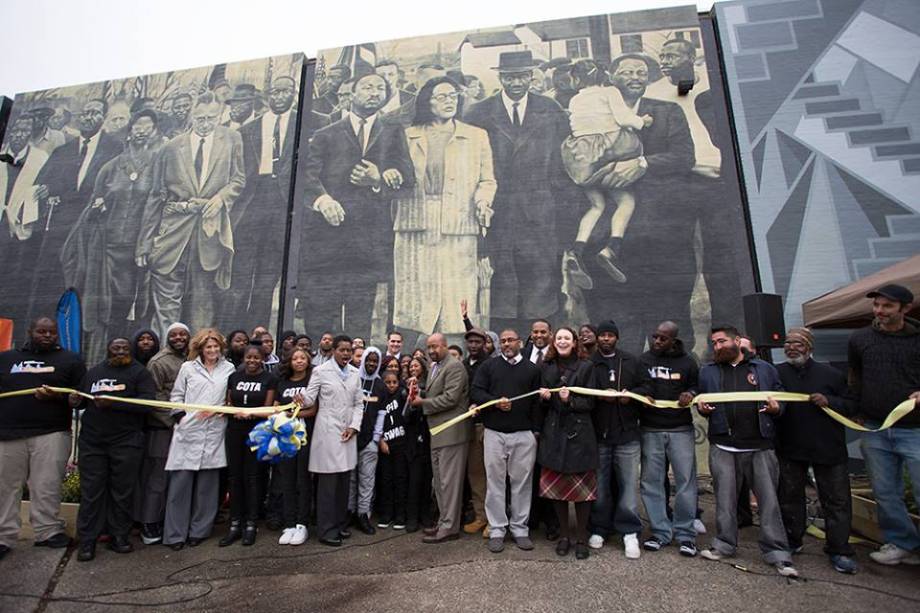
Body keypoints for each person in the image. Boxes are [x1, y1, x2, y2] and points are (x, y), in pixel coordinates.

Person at [582, 54, 695, 355]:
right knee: (618, 324)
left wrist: (642, 163)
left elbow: (685, 157)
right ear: (611, 76)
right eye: (627, 71)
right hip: (613, 238)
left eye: (641, 72)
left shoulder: (667, 111)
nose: (635, 76)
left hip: (660, 233)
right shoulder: (596, 111)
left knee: (667, 317)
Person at [298, 73, 414, 341]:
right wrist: (322, 200)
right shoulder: (326, 134)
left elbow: (409, 180)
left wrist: (378, 180)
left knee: (359, 319)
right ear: (351, 94)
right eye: (367, 86)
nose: (374, 92)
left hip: (367, 241)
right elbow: (306, 176)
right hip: (326, 239)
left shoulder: (393, 133)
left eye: (380, 88)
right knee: (320, 318)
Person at [465, 51, 573, 331]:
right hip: (497, 207)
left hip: (541, 207)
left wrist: (560, 206)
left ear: (531, 77)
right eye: (510, 76)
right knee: (502, 277)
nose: (516, 82)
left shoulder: (550, 109)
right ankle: (506, 341)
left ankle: (537, 340)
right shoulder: (478, 112)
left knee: (541, 276)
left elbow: (564, 163)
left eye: (523, 76)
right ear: (501, 77)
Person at [392, 76, 496, 339]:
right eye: (441, 96)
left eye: (453, 95)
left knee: (457, 293)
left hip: (458, 220)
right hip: (416, 219)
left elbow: (487, 180)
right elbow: (394, 173)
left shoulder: (476, 136)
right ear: (427, 101)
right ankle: (413, 353)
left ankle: (455, 347)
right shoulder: (407, 136)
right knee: (415, 290)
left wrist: (483, 202)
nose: (449, 101)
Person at [137, 92, 245, 336]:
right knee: (166, 300)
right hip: (173, 230)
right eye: (200, 118)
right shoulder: (171, 148)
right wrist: (144, 243)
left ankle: (198, 361)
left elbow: (238, 179)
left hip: (208, 230)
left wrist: (221, 199)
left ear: (219, 116)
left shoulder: (232, 140)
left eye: (211, 118)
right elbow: (156, 196)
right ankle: (165, 358)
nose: (205, 124)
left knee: (202, 300)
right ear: (191, 117)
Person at [695, 326, 799, 577]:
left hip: (759, 446)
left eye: (722, 341)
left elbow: (781, 397)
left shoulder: (764, 369)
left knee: (769, 501)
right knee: (725, 500)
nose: (717, 347)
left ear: (737, 341)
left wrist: (777, 408)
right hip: (723, 445)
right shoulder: (708, 372)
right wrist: (703, 408)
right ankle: (724, 544)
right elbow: (702, 400)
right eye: (714, 343)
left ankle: (777, 552)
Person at [0, 317, 87, 559]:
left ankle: (47, 531)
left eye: (51, 332)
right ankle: (3, 535)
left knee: (46, 485)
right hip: (8, 434)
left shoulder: (71, 361)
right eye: (41, 331)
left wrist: (63, 399)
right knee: (5, 486)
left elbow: (79, 396)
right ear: (30, 332)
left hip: (52, 432)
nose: (47, 335)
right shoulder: (6, 359)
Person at [562, 59, 652, 285]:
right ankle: (612, 247)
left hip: (582, 156)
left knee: (597, 206)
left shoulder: (575, 98)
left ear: (575, 80)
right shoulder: (610, 91)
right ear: (603, 75)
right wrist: (642, 121)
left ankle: (576, 250)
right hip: (611, 149)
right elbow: (623, 118)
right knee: (626, 201)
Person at [848, 284, 920, 566]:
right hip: (876, 428)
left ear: (906, 309)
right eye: (877, 305)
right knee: (884, 490)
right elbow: (855, 376)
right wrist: (855, 409)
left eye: (887, 306)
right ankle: (902, 543)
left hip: (914, 428)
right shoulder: (861, 339)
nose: (879, 311)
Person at [775, 327, 857, 573]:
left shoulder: (831, 374)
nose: (791, 348)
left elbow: (852, 404)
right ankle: (792, 540)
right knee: (790, 497)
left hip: (828, 448)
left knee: (837, 500)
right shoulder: (777, 374)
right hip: (791, 446)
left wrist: (830, 401)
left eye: (798, 343)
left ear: (809, 347)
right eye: (788, 343)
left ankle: (839, 549)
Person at [222, 77, 298, 329]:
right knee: (241, 275)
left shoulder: (306, 123)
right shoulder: (247, 130)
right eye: (275, 91)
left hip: (282, 204)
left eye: (286, 91)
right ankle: (234, 332)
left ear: (294, 93)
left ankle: (256, 333)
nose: (280, 96)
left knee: (267, 278)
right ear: (267, 96)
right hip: (252, 203)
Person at [32, 99, 122, 310]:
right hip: (60, 227)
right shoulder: (63, 150)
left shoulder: (116, 149)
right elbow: (44, 181)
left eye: (95, 113)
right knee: (51, 279)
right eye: (85, 112)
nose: (88, 117)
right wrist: (48, 191)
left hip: (92, 227)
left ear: (104, 118)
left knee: (82, 282)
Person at [72, 337, 156, 561]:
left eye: (125, 348)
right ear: (108, 349)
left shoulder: (140, 373)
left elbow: (148, 404)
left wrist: (114, 403)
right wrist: (74, 400)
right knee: (92, 492)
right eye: (116, 348)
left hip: (126, 442)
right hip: (93, 442)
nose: (120, 352)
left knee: (122, 492)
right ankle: (87, 540)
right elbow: (82, 400)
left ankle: (119, 536)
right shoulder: (94, 372)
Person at [162, 328, 236, 550]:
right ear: (200, 349)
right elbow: (176, 396)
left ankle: (199, 531)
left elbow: (230, 399)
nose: (212, 350)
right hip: (189, 432)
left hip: (214, 431)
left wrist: (224, 409)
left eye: (216, 347)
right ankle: (175, 535)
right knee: (180, 487)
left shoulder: (229, 368)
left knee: (207, 488)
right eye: (208, 347)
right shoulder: (188, 368)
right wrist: (181, 418)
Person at [471, 328, 541, 553]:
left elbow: (537, 403)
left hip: (523, 434)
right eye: (503, 341)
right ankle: (498, 529)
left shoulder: (532, 369)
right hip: (494, 433)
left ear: (519, 342)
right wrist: (494, 402)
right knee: (495, 483)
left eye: (511, 340)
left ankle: (520, 529)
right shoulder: (489, 367)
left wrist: (535, 432)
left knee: (522, 483)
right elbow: (476, 392)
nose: (507, 344)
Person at [586, 320, 650, 559]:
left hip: (627, 436)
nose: (605, 339)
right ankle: (599, 528)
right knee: (600, 488)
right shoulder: (589, 363)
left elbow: (646, 388)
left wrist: (630, 397)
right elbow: (582, 393)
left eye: (610, 335)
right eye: (602, 335)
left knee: (628, 488)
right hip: (600, 436)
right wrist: (600, 398)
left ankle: (629, 531)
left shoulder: (631, 361)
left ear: (617, 338)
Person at [638, 321, 699, 557]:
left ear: (674, 340)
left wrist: (690, 394)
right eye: (655, 336)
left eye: (663, 338)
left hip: (680, 429)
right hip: (651, 428)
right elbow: (639, 385)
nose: (657, 341)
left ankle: (685, 534)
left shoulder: (688, 361)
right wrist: (644, 393)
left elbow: (697, 385)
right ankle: (660, 531)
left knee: (685, 483)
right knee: (651, 483)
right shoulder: (644, 360)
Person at [537, 327, 598, 560]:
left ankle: (581, 538)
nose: (562, 341)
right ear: (555, 342)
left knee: (582, 493)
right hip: (554, 434)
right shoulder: (547, 366)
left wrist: (569, 399)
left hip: (579, 435)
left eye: (567, 338)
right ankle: (564, 535)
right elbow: (544, 406)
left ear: (574, 343)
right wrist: (545, 398)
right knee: (557, 491)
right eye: (559, 338)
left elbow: (591, 402)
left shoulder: (586, 366)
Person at [300, 335, 364, 546]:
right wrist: (300, 398)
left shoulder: (355, 373)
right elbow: (310, 398)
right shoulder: (320, 371)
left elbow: (358, 404)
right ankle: (326, 529)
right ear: (334, 350)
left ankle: (339, 524)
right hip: (327, 432)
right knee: (328, 485)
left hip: (347, 432)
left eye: (349, 350)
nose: (346, 354)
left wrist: (354, 426)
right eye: (342, 350)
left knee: (343, 483)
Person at [409, 333, 470, 543]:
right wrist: (421, 393)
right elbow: (437, 393)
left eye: (435, 346)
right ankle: (445, 522)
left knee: (449, 484)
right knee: (441, 483)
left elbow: (451, 399)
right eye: (429, 347)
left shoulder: (454, 366)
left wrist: (422, 403)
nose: (432, 350)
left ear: (445, 345)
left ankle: (450, 527)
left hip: (451, 432)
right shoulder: (436, 366)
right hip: (438, 432)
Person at [137, 322, 189, 545]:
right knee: (157, 478)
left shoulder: (191, 359)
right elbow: (154, 397)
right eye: (174, 335)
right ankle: (149, 523)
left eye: (183, 334)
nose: (179, 338)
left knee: (177, 479)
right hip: (164, 428)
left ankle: (169, 521)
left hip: (187, 428)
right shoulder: (158, 362)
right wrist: (173, 420)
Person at [220, 344, 277, 547]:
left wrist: (251, 413)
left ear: (262, 359)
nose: (252, 361)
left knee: (253, 477)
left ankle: (251, 523)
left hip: (256, 432)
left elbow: (269, 408)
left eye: (256, 358)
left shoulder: (269, 378)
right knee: (235, 477)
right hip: (234, 430)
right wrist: (231, 410)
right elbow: (228, 401)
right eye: (248, 358)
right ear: (244, 358)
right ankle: (235, 523)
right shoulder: (235, 376)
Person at [0, 116, 49, 330]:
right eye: (16, 130)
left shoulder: (39, 158)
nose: (19, 134)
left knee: (12, 275)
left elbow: (46, 183)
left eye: (24, 130)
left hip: (19, 226)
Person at [276, 348, 316, 546]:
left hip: (304, 437)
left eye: (303, 358)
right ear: (289, 362)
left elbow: (314, 409)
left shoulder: (311, 382)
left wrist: (294, 415)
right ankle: (289, 523)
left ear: (308, 361)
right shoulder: (282, 382)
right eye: (295, 358)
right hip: (285, 437)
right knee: (287, 480)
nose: (299, 361)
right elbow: (275, 407)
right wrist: (282, 416)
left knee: (303, 480)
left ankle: (302, 523)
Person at [351, 347, 385, 534]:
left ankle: (363, 514)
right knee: (350, 480)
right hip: (351, 437)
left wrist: (375, 439)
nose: (371, 364)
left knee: (367, 480)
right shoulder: (354, 379)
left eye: (375, 361)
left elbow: (381, 414)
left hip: (369, 441)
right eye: (369, 360)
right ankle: (349, 511)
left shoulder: (380, 385)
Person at [377, 370, 415, 530]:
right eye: (388, 382)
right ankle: (387, 514)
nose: (392, 385)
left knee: (401, 479)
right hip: (386, 446)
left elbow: (410, 411)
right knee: (386, 480)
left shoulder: (401, 395)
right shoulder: (380, 399)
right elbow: (376, 422)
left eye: (394, 382)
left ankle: (400, 515)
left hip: (401, 445)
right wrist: (380, 440)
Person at [462, 328, 491, 536]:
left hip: (486, 425)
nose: (473, 345)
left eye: (477, 342)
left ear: (484, 343)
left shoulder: (490, 365)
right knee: (476, 475)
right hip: (467, 427)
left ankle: (493, 519)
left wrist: (479, 404)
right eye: (470, 342)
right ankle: (481, 516)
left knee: (491, 475)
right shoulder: (463, 365)